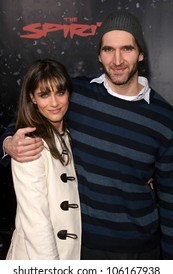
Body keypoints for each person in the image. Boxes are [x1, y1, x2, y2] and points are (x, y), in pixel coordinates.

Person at [1, 11, 173, 260]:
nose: (117, 60)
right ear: (99, 56)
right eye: (108, 50)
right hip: (81, 246)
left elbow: (170, 200)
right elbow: (29, 117)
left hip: (140, 250)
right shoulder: (77, 94)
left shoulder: (164, 119)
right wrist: (8, 143)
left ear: (141, 54)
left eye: (126, 49)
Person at [5, 59, 81, 260]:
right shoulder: (28, 145)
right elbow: (35, 222)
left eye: (60, 93)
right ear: (32, 97)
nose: (54, 103)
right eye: (44, 95)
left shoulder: (70, 134)